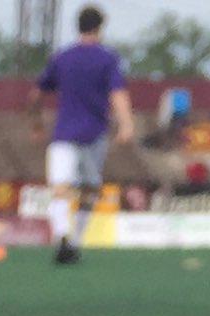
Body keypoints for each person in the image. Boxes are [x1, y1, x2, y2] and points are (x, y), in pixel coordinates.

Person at [29, 6, 135, 265]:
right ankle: (74, 241)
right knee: (89, 189)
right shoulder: (107, 58)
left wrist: (36, 122)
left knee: (60, 188)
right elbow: (117, 93)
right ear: (100, 27)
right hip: (93, 134)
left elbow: (36, 94)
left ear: (78, 26)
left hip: (63, 134)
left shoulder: (62, 57)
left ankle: (61, 237)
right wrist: (126, 123)